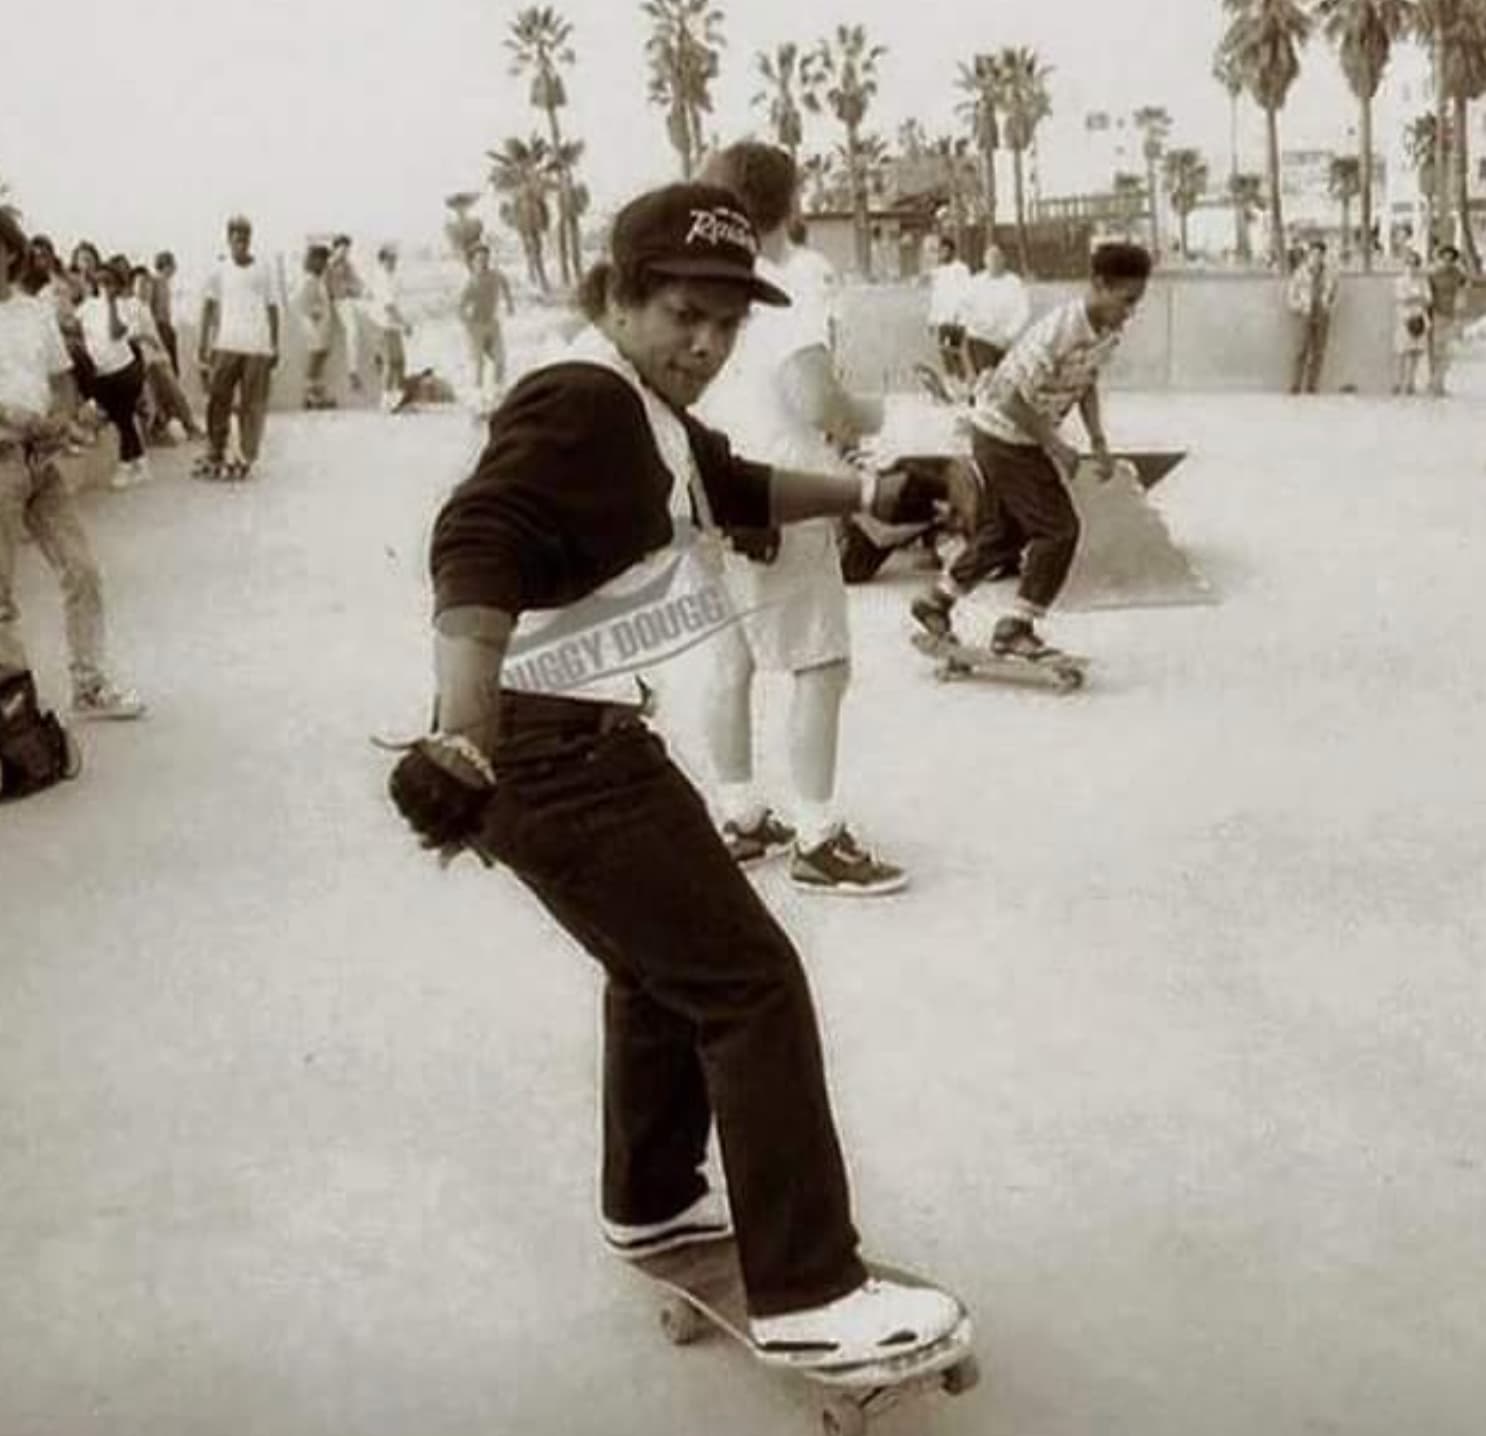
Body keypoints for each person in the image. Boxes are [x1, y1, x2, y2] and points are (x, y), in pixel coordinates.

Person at [386, 181, 967, 1369]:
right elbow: (477, 533)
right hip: (551, 747)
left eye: (724, 320)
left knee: (657, 968)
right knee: (749, 981)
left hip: (572, 737)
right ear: (615, 295)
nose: (704, 341)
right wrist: (460, 734)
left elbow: (731, 482)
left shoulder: (639, 406)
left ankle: (650, 1195)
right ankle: (808, 1290)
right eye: (680, 311)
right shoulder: (581, 397)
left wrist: (869, 490)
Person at [695, 141, 904, 895]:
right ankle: (818, 838)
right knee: (821, 664)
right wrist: (878, 415)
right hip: (784, 497)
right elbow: (820, 403)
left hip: (713, 496)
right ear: (791, 206)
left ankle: (741, 815)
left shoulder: (705, 291)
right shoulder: (784, 294)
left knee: (732, 659)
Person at [911, 242, 1152, 659]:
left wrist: (1097, 440)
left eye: (1137, 302)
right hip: (1002, 434)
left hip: (1016, 437)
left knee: (1006, 532)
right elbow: (1008, 398)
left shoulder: (1106, 333)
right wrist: (1056, 445)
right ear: (1099, 285)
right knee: (1058, 529)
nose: (1129, 312)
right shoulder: (1059, 330)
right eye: (1126, 300)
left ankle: (936, 601)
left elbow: (1086, 380)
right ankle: (1015, 627)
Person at [0, 210, 144, 721]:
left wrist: (57, 424)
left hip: (41, 464)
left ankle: (89, 686)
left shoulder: (33, 313)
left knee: (81, 572)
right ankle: (15, 720)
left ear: (10, 253)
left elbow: (62, 383)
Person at [194, 214, 279, 481]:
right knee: (218, 399)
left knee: (253, 404)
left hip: (258, 346)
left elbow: (273, 308)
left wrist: (275, 344)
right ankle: (215, 451)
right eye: (236, 238)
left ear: (249, 240)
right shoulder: (218, 270)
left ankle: (245, 454)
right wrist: (202, 343)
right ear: (228, 239)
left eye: (245, 238)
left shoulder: (263, 269)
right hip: (226, 344)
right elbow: (207, 307)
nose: (241, 243)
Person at [76, 261, 150, 487]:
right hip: (102, 373)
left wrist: (111, 305)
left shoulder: (124, 307)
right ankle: (139, 462)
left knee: (123, 417)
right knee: (122, 419)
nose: (104, 286)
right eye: (101, 281)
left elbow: (116, 332)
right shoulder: (88, 306)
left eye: (109, 282)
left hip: (124, 370)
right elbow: (74, 326)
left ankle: (125, 465)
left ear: (118, 285)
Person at [127, 266, 201, 442]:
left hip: (154, 359)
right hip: (144, 360)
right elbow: (130, 335)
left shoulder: (145, 308)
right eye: (141, 284)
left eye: (148, 285)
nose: (146, 289)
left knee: (171, 387)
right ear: (132, 286)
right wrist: (148, 341)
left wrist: (162, 354)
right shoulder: (132, 306)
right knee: (168, 386)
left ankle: (183, 425)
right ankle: (186, 425)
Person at [959, 241, 1031, 377]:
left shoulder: (1014, 282)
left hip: (1004, 340)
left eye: (998, 257)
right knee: (986, 376)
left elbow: (1023, 312)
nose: (994, 261)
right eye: (990, 257)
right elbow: (965, 309)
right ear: (985, 260)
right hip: (980, 338)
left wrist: (1009, 335)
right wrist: (982, 324)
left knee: (1004, 378)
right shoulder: (975, 283)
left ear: (1004, 259)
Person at [457, 241, 514, 411]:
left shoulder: (495, 275)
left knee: (500, 359)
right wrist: (466, 324)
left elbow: (505, 283)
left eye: (485, 258)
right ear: (473, 262)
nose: (483, 262)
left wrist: (510, 303)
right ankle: (478, 399)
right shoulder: (471, 283)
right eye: (479, 259)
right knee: (479, 364)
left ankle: (498, 395)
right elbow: (459, 307)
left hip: (492, 324)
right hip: (475, 326)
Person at [1285, 239, 1337, 395]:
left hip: (1321, 314)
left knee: (1318, 351)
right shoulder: (1300, 272)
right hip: (1305, 314)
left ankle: (1312, 385)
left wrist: (1328, 306)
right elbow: (1290, 295)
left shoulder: (1329, 274)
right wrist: (1299, 307)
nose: (1317, 257)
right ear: (1309, 255)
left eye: (1320, 254)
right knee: (1300, 350)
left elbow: (1334, 294)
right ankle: (1295, 384)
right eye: (1314, 254)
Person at [368, 243, 413, 413]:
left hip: (391, 325)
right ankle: (386, 399)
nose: (393, 262)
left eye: (394, 259)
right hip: (384, 325)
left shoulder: (389, 277)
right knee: (390, 362)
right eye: (390, 259)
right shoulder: (382, 279)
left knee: (399, 362)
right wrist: (404, 324)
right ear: (383, 260)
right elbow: (389, 306)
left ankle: (397, 397)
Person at [295, 243, 336, 409]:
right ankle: (310, 396)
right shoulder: (309, 279)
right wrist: (315, 313)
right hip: (314, 326)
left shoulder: (319, 279)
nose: (325, 264)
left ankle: (317, 394)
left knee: (320, 360)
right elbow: (303, 302)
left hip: (322, 325)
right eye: (322, 260)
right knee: (315, 360)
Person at [1427, 243, 1469, 397]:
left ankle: (1438, 383)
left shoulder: (1458, 274)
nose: (1447, 262)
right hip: (1437, 313)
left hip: (1451, 314)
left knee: (1447, 351)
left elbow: (1464, 289)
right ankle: (1435, 384)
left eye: (1451, 259)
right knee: (1437, 350)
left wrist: (1460, 314)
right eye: (1445, 258)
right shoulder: (1433, 274)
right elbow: (1428, 293)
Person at [325, 234, 366, 395]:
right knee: (352, 331)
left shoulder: (346, 265)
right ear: (336, 248)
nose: (345, 252)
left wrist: (357, 290)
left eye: (347, 249)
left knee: (355, 331)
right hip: (333, 303)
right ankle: (352, 371)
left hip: (343, 301)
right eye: (343, 248)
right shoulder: (328, 264)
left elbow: (357, 283)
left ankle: (354, 371)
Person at [926, 236, 970, 380]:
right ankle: (953, 380)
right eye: (940, 251)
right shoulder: (938, 272)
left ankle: (962, 381)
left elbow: (965, 294)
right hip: (943, 320)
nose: (942, 254)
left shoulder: (961, 270)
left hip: (957, 320)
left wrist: (960, 316)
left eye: (945, 251)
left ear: (952, 251)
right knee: (944, 351)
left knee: (954, 352)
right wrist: (931, 321)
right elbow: (936, 298)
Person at [1391, 250, 1433, 397]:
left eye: (1415, 264)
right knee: (1402, 352)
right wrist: (1416, 297)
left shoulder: (1422, 282)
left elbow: (1428, 300)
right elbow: (1401, 298)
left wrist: (1415, 298)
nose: (1411, 268)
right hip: (1404, 319)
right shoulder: (1399, 281)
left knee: (1415, 352)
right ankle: (1398, 381)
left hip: (1419, 318)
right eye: (1409, 264)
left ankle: (1410, 382)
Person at [150, 251, 181, 375]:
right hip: (159, 326)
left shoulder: (165, 282)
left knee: (172, 367)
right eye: (173, 264)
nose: (175, 268)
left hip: (165, 326)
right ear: (166, 265)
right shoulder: (156, 281)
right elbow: (152, 306)